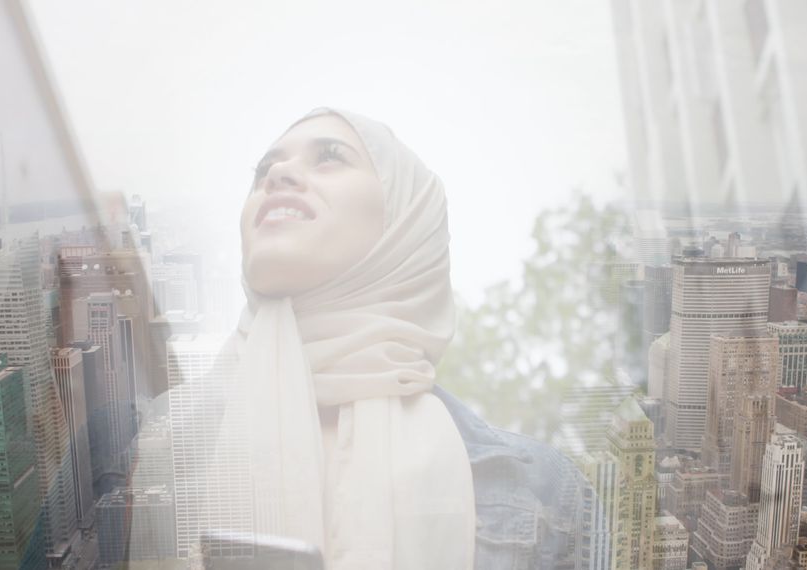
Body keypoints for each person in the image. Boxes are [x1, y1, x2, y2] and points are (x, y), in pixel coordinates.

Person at [136, 108, 595, 569]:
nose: (277, 173)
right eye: (262, 170)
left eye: (330, 157)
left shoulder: (541, 494)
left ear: (406, 223)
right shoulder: (161, 441)